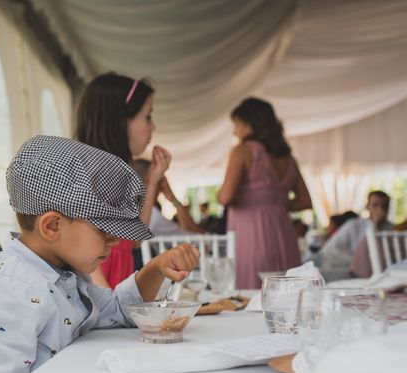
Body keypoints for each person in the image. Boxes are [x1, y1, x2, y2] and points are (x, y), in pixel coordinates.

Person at [0, 135, 199, 373]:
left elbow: (117, 312)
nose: (115, 240)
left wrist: (155, 268)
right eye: (103, 229)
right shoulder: (5, 293)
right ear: (52, 226)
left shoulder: (63, 274)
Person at [75, 72, 172, 288]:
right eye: (147, 116)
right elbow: (83, 260)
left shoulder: (117, 174)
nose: (153, 126)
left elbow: (133, 239)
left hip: (115, 294)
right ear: (119, 120)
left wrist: (152, 181)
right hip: (98, 300)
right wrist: (111, 305)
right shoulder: (89, 174)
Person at [217, 97, 312, 289]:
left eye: (237, 125)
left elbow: (226, 196)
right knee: (287, 295)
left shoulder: (243, 151)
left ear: (250, 124)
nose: (235, 131)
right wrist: (276, 203)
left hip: (251, 234)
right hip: (284, 234)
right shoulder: (288, 158)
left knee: (251, 293)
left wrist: (218, 195)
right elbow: (304, 201)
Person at [323, 191, 393, 279]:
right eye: (375, 205)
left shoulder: (393, 229)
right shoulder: (353, 225)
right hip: (355, 274)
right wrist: (356, 260)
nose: (380, 210)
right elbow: (328, 249)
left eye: (384, 206)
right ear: (367, 206)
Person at [131, 158, 206, 236]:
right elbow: (195, 236)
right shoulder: (152, 215)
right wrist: (173, 198)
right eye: (160, 181)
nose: (161, 188)